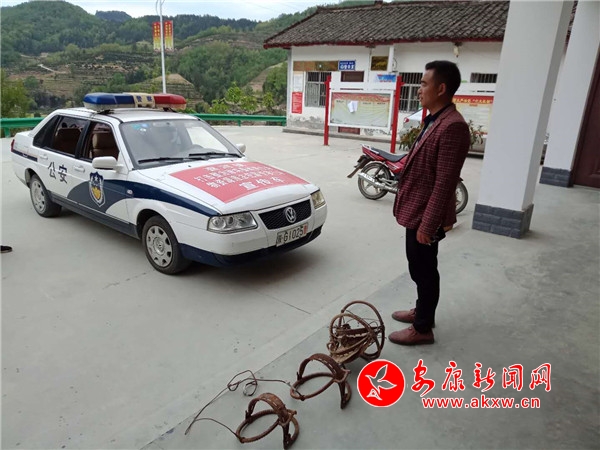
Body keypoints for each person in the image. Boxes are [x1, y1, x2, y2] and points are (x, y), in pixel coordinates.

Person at [389, 60, 471, 346]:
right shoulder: (435, 119)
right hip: (417, 210)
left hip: (425, 215)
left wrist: (428, 224)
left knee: (423, 270)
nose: (419, 89)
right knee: (419, 266)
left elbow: (445, 183)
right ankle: (422, 311)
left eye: (424, 83)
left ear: (441, 88)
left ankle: (423, 328)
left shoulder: (453, 127)